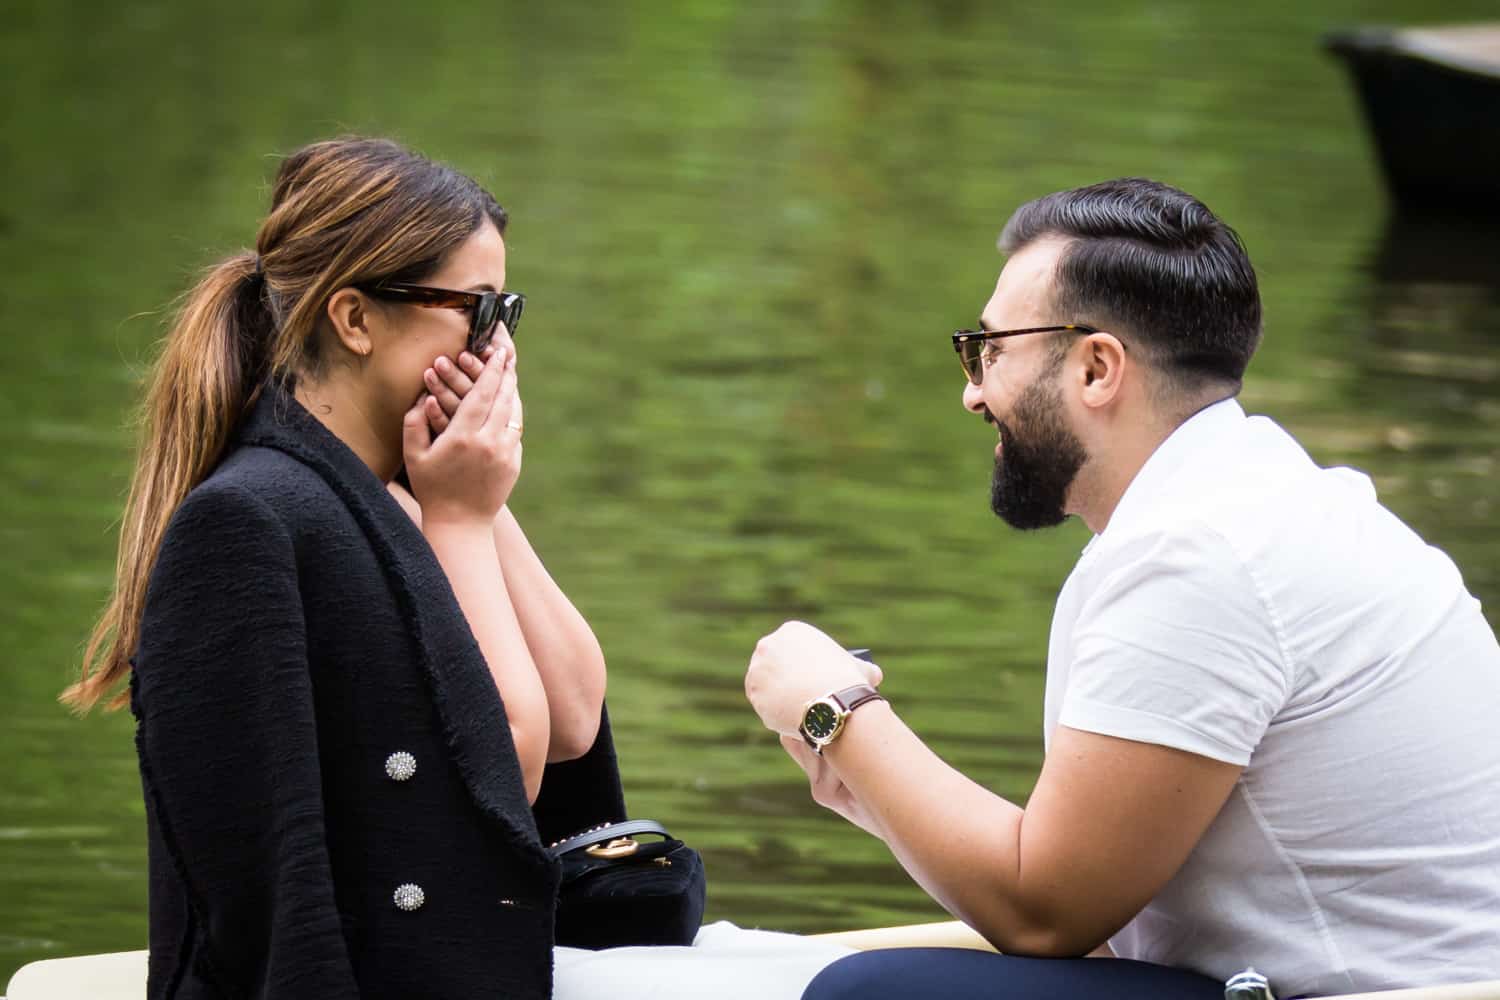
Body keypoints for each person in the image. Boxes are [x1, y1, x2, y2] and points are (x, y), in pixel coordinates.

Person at [744, 178, 1500, 999]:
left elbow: (1047, 912)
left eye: (990, 350)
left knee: (875, 994)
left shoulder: (1201, 554)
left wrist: (838, 712)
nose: (972, 389)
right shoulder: (1244, 501)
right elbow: (1082, 892)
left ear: (1097, 367)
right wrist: (873, 790)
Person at [64, 137, 618, 999]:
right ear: (355, 319)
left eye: (505, 312)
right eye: (474, 313)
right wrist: (463, 521)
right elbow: (502, 763)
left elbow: (574, 720)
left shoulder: (407, 496)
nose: (497, 347)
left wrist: (478, 501)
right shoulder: (247, 521)